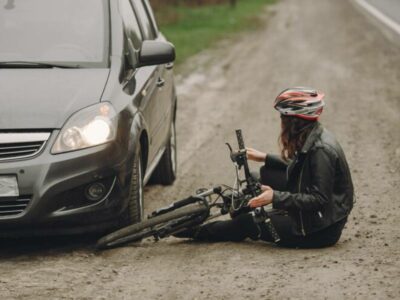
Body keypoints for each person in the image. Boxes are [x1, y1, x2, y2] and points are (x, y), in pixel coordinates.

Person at [176, 87, 354, 248]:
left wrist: (275, 197)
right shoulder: (312, 136)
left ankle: (189, 232)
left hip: (316, 231)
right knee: (264, 175)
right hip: (318, 217)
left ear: (295, 121)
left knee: (246, 223)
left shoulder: (321, 150)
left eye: (283, 117)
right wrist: (264, 157)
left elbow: (318, 199)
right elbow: (299, 168)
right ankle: (244, 207)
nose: (281, 122)